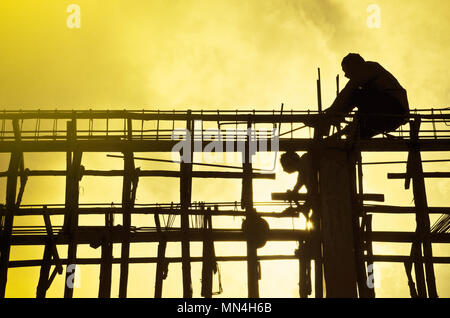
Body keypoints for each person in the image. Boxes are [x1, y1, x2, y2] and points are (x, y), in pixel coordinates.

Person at [320, 53, 410, 139]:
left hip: (393, 109)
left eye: (346, 70)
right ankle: (352, 129)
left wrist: (333, 111)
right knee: (355, 135)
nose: (346, 75)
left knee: (356, 92)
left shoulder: (368, 68)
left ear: (354, 65)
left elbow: (349, 90)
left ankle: (334, 117)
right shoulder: (368, 72)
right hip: (389, 117)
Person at [279, 151, 313, 216]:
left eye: (283, 165)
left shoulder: (305, 163)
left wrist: (294, 209)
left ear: (290, 162)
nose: (283, 169)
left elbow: (312, 195)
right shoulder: (304, 163)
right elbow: (299, 183)